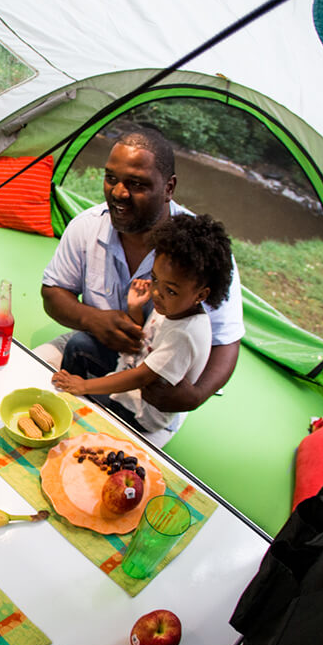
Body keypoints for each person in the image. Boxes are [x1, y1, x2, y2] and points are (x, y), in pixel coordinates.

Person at [39, 126, 244, 443]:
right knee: (26, 388)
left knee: (107, 454)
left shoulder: (201, 256)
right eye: (111, 178)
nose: (119, 192)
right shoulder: (86, 228)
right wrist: (92, 319)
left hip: (156, 385)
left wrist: (194, 396)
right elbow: (52, 292)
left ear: (168, 187)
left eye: (136, 184)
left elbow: (227, 341)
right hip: (90, 342)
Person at [53, 214, 234, 443]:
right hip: (129, 371)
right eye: (155, 279)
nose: (157, 292)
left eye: (170, 290)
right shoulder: (172, 306)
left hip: (140, 409)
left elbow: (141, 377)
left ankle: (76, 419)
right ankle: (68, 403)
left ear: (201, 295)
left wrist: (83, 386)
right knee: (79, 345)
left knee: (92, 411)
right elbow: (143, 342)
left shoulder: (184, 334)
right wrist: (136, 310)